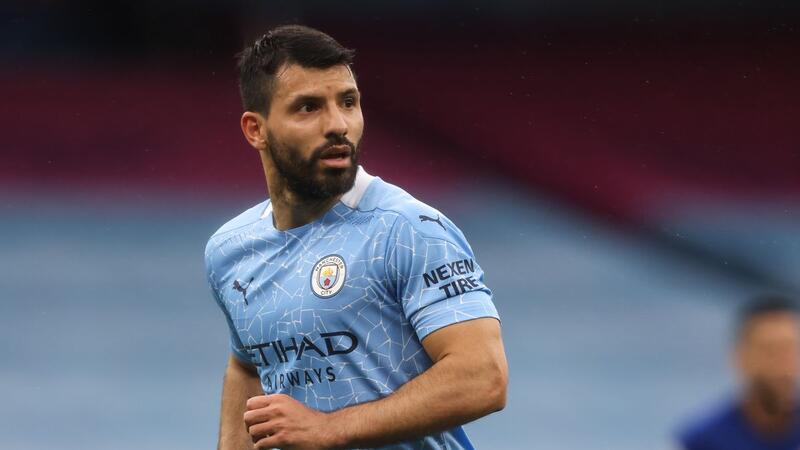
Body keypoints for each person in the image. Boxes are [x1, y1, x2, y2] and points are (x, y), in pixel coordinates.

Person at [204, 25, 508, 450]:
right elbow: (248, 366)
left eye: (348, 102)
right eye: (308, 107)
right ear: (256, 129)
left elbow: (483, 378)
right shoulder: (230, 250)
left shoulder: (408, 229)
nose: (338, 124)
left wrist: (328, 428)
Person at [677, 295, 800, 450]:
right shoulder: (702, 441)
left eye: (790, 349)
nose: (783, 365)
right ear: (739, 358)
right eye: (770, 351)